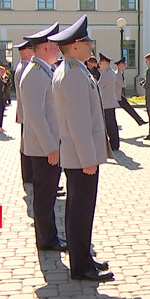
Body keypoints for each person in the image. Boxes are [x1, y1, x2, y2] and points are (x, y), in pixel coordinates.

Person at [50, 14, 114, 282]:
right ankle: (80, 266)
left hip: (77, 156)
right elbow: (78, 123)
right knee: (80, 211)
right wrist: (89, 158)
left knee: (79, 209)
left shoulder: (74, 70)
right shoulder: (73, 75)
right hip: (80, 157)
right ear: (74, 46)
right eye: (86, 41)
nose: (90, 45)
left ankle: (83, 257)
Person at [21, 22, 69, 253]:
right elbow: (35, 116)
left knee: (47, 195)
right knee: (43, 196)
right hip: (43, 148)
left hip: (48, 145)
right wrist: (51, 146)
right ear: (45, 47)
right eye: (55, 45)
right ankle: (46, 239)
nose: (58, 49)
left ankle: (49, 236)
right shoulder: (34, 74)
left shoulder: (44, 70)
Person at [14, 40, 35, 184]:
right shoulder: (25, 68)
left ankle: (28, 176)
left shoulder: (22, 66)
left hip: (25, 114)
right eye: (32, 49)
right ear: (26, 51)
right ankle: (29, 176)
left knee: (26, 145)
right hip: (27, 114)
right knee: (27, 146)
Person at [97, 53, 121, 151]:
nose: (99, 65)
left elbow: (98, 86)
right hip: (109, 102)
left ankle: (113, 144)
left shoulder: (107, 73)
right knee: (112, 124)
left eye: (101, 63)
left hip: (107, 103)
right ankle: (114, 143)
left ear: (105, 62)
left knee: (110, 124)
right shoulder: (109, 72)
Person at [115, 57, 147, 126]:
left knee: (129, 108)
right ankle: (139, 120)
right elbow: (123, 85)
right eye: (124, 64)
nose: (125, 66)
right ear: (120, 65)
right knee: (112, 112)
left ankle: (139, 121)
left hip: (120, 96)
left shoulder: (120, 73)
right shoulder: (117, 74)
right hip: (116, 97)